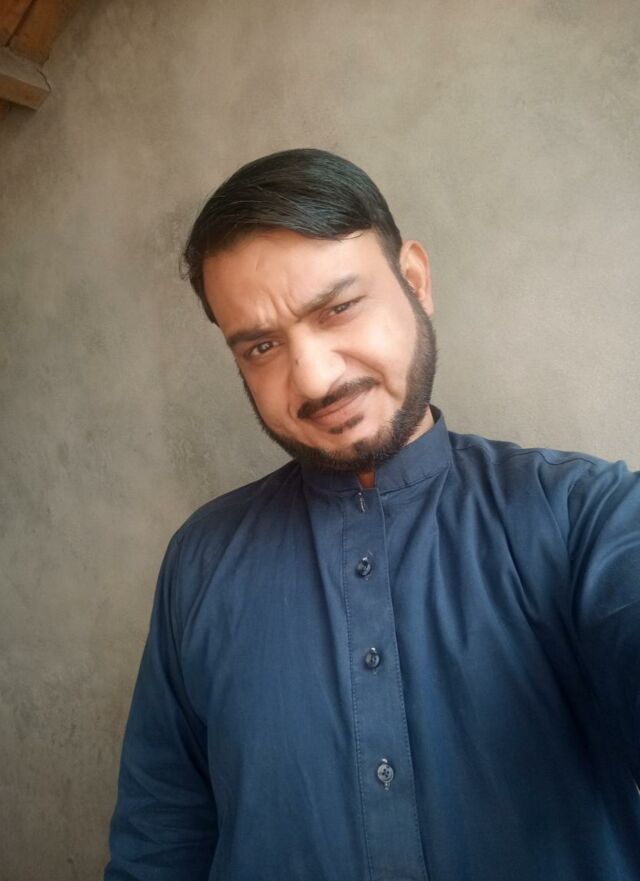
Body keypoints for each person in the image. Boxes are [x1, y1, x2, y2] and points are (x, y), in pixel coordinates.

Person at [105, 149, 640, 881]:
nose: (314, 378)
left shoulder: (584, 514)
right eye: (261, 346)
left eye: (338, 308)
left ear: (414, 280)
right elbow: (159, 839)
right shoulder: (200, 560)